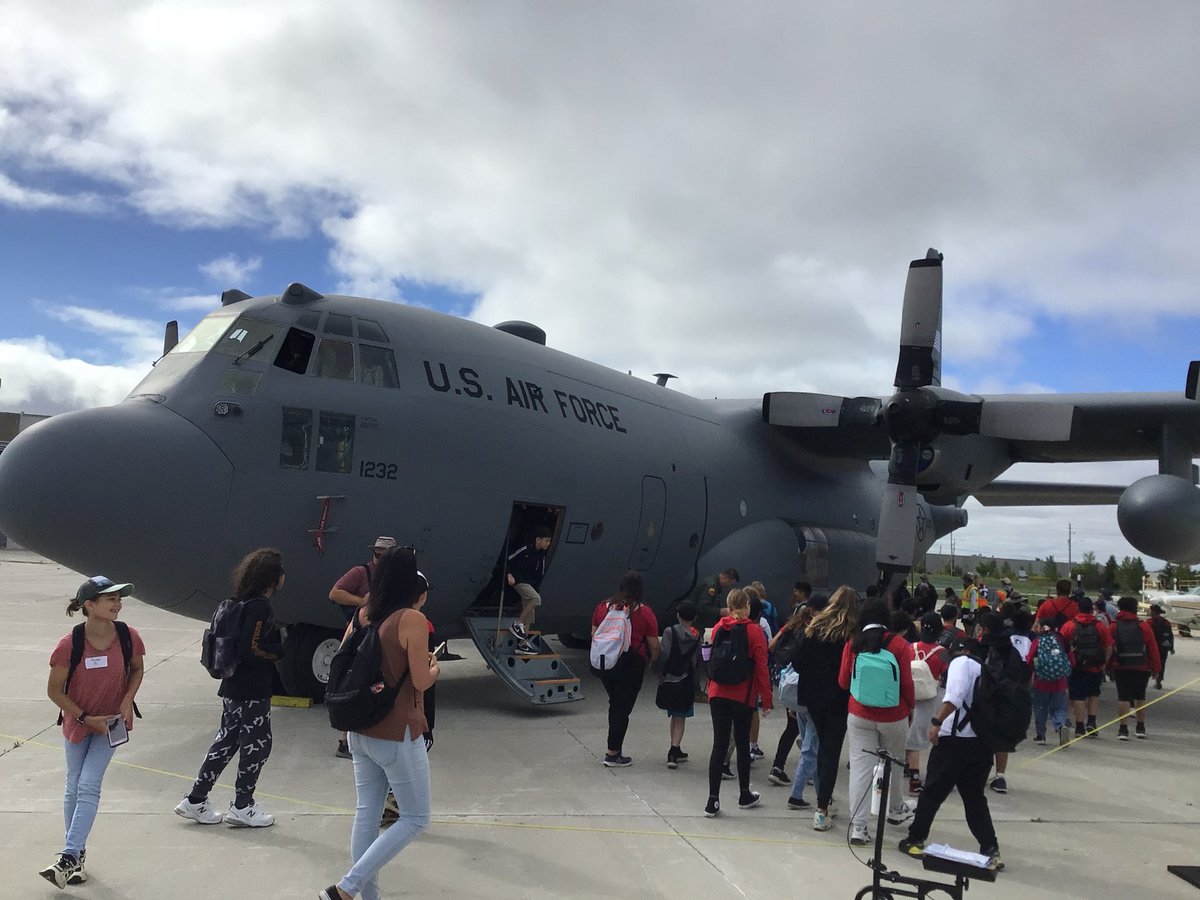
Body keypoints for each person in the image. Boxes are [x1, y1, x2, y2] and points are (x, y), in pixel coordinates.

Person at [319, 546, 439, 900]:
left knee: (366, 814)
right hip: (397, 731)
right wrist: (435, 668)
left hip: (359, 728)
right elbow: (419, 680)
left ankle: (366, 896)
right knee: (416, 818)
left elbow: (341, 662)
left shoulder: (363, 613)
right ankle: (346, 889)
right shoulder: (410, 619)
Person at [41, 576, 145, 888]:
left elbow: (137, 668)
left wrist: (127, 700)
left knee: (87, 785)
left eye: (118, 598)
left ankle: (68, 856)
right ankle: (77, 859)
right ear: (89, 605)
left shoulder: (128, 636)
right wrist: (86, 718)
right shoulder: (69, 644)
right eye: (110, 599)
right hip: (78, 722)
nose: (118, 604)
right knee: (73, 787)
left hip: (111, 724)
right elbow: (54, 692)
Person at [176, 548, 285, 828]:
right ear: (273, 578)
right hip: (252, 689)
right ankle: (243, 804)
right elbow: (252, 647)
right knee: (257, 745)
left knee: (227, 741)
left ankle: (197, 798)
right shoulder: (260, 606)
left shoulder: (237, 602)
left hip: (232, 685)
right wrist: (280, 650)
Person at [898, 611, 1008, 872]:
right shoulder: (985, 667)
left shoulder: (962, 663)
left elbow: (955, 696)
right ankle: (990, 848)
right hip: (981, 743)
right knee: (974, 798)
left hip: (954, 741)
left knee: (932, 793)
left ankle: (915, 839)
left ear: (959, 651)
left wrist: (936, 723)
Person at [839, 598, 916, 845]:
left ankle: (858, 828)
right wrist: (910, 707)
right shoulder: (900, 645)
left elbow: (843, 682)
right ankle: (895, 808)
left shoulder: (853, 643)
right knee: (894, 764)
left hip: (860, 714)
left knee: (862, 770)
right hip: (894, 715)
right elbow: (906, 683)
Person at [790, 585, 859, 831]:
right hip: (839, 697)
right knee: (830, 751)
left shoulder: (815, 627)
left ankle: (823, 801)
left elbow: (797, 660)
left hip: (813, 696)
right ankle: (822, 806)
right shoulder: (852, 634)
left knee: (821, 749)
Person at [704, 588, 772, 817]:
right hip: (743, 695)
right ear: (747, 607)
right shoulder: (754, 632)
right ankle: (744, 793)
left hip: (717, 692)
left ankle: (713, 799)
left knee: (718, 744)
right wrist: (767, 700)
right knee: (742, 744)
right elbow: (761, 668)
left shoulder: (717, 628)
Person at [329, 536, 398, 758]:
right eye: (378, 553)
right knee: (354, 687)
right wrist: (363, 602)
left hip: (377, 640)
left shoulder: (392, 577)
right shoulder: (361, 572)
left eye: (384, 554)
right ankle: (344, 741)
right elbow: (335, 592)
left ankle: (365, 734)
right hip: (360, 639)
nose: (379, 558)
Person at [591, 571, 660, 766]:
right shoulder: (644, 612)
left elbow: (594, 633)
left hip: (608, 661)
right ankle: (612, 753)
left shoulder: (603, 607)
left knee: (615, 703)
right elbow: (654, 644)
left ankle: (615, 747)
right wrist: (652, 661)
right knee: (622, 708)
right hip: (632, 662)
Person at [905, 612, 950, 796]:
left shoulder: (910, 648)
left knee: (908, 732)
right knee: (918, 739)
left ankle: (906, 767)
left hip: (910, 696)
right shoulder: (943, 653)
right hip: (930, 698)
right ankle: (915, 779)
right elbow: (946, 675)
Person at [1107, 595, 1162, 741]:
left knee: (1123, 698)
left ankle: (1123, 729)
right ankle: (1140, 727)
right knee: (1140, 696)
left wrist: (1108, 666)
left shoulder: (1114, 626)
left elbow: (1109, 647)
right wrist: (1156, 667)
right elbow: (1152, 647)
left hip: (1121, 665)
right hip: (1141, 665)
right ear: (1135, 609)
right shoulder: (1143, 626)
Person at [1059, 596, 1114, 739]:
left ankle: (1079, 726)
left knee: (1078, 696)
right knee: (1094, 694)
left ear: (1078, 608)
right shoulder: (1099, 625)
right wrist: (1104, 663)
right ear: (1092, 609)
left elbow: (1060, 644)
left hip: (1076, 666)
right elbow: (1109, 645)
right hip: (1095, 666)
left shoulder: (1069, 625)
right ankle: (1092, 722)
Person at [656, 600, 701, 768]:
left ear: (678, 615)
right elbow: (696, 661)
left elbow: (664, 654)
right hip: (686, 680)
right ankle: (674, 750)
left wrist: (660, 672)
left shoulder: (669, 632)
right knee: (681, 718)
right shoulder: (696, 636)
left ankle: (674, 746)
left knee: (674, 715)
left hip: (670, 679)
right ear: (694, 618)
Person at [507, 527, 553, 655]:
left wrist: (536, 588)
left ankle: (521, 644)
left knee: (530, 615)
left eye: (549, 541)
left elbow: (540, 574)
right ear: (538, 540)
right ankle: (517, 623)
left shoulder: (541, 556)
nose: (548, 544)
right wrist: (509, 574)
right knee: (536, 599)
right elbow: (509, 559)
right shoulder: (526, 549)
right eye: (546, 540)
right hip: (518, 580)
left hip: (529, 583)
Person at [1148, 604, 1175, 689]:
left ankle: (1148, 677)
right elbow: (1170, 635)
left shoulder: (1149, 622)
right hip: (1164, 646)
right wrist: (1171, 647)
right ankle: (1159, 680)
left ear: (1154, 612)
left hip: (1153, 645)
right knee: (1162, 663)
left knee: (1150, 662)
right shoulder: (1166, 622)